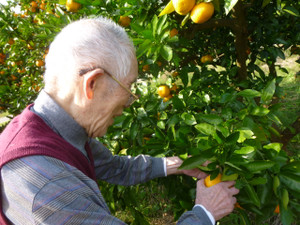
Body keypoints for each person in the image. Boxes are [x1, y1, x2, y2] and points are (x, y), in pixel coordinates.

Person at [0, 17, 239, 225]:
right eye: (130, 87)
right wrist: (205, 212)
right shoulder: (46, 186)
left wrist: (178, 164)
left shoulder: (54, 128)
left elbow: (113, 166)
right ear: (92, 83)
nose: (129, 102)